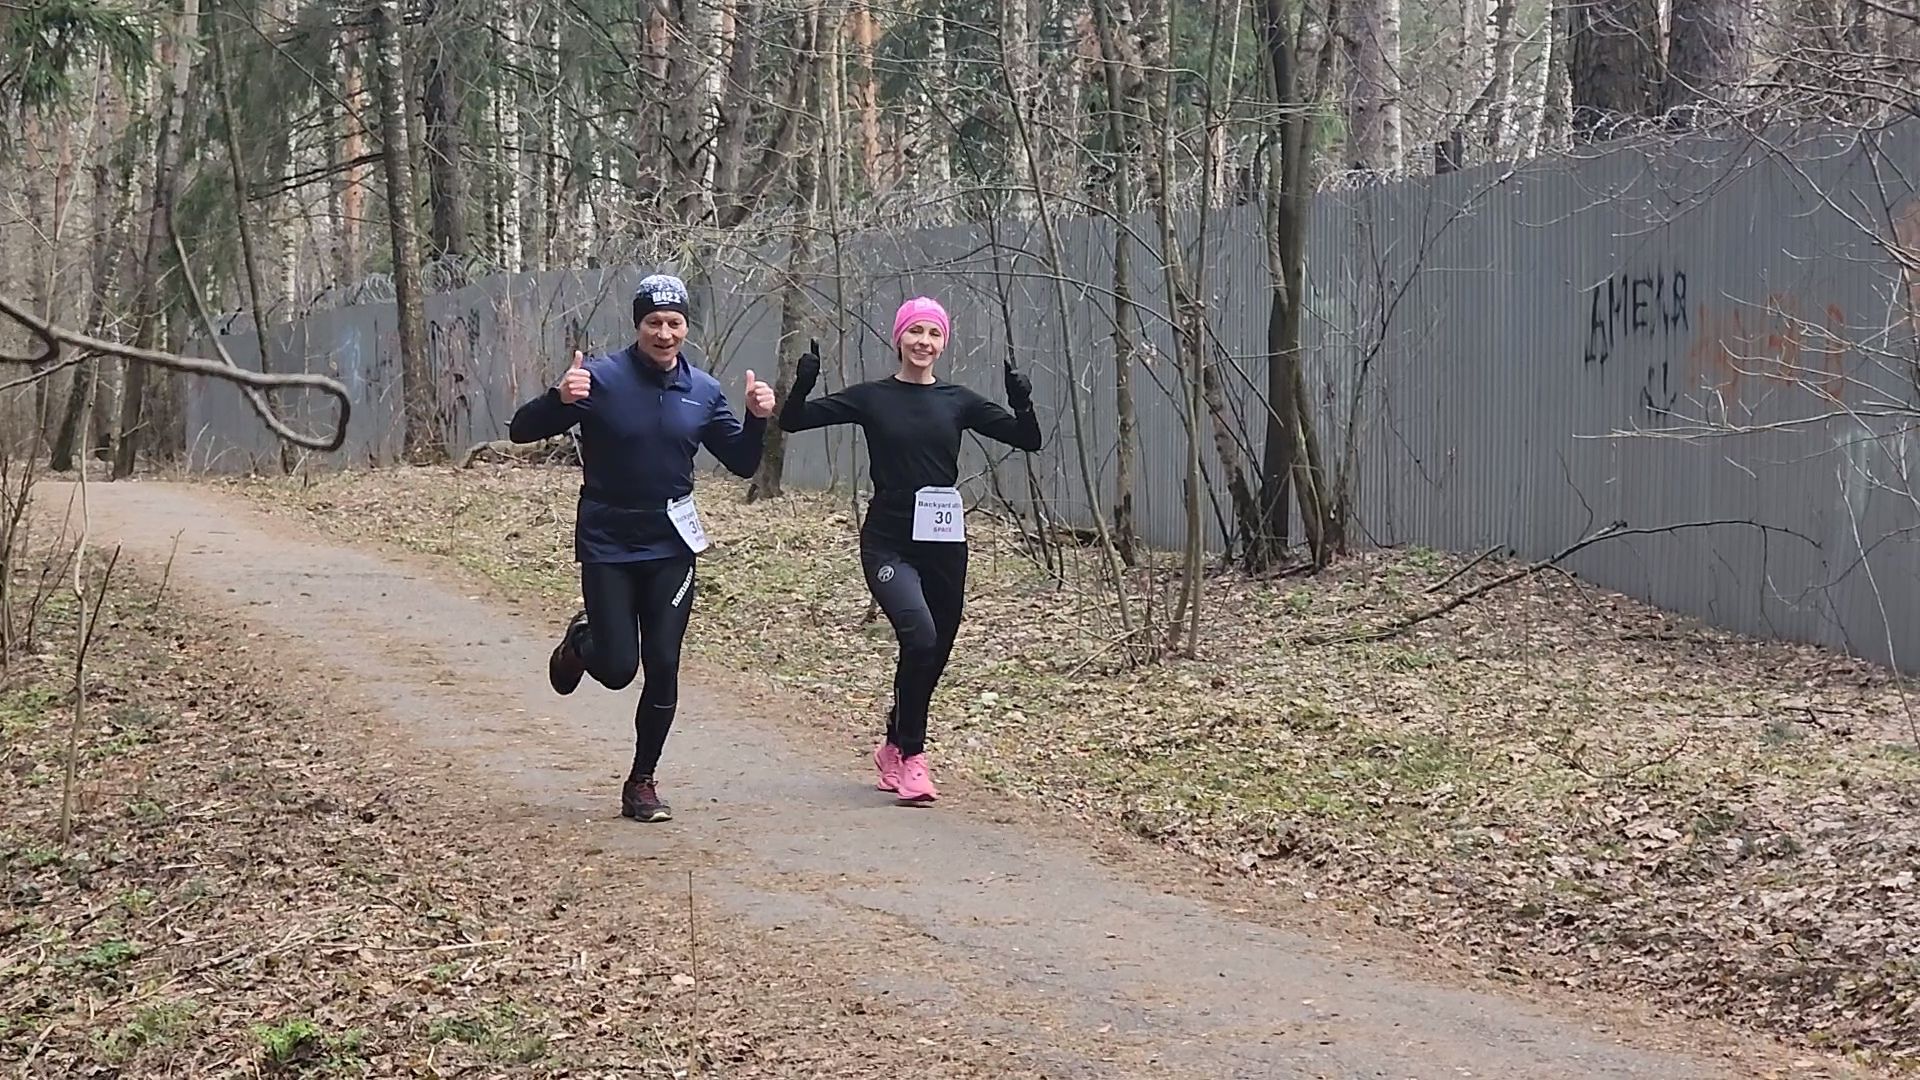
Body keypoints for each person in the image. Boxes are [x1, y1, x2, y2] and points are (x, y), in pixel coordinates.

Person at [507, 272, 774, 823]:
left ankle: (642, 782)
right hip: (608, 537)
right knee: (618, 667)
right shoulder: (600, 377)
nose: (665, 333)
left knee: (664, 664)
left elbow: (744, 461)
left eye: (675, 323)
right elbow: (520, 431)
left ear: (686, 329)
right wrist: (558, 400)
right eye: (654, 322)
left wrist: (756, 417)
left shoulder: (702, 390)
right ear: (638, 325)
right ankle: (582, 644)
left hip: (671, 544)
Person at [777, 297, 1041, 804]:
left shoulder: (957, 400)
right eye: (914, 332)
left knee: (935, 649)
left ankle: (894, 742)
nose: (924, 342)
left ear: (943, 343)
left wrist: (1021, 398)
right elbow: (794, 422)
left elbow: (1028, 439)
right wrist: (804, 381)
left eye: (934, 334)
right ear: (899, 338)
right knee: (918, 635)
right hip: (889, 541)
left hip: (944, 542)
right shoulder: (874, 397)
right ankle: (914, 760)